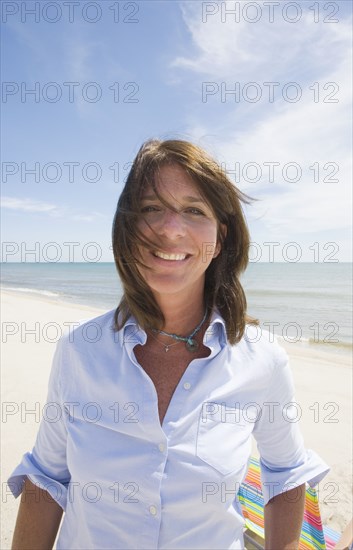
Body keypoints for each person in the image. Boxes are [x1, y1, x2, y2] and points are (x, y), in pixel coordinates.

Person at [8, 139, 329, 550]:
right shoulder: (79, 350)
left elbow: (285, 478)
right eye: (151, 208)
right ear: (127, 227)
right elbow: (46, 481)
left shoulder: (262, 360)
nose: (170, 229)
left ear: (220, 237)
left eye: (194, 211)